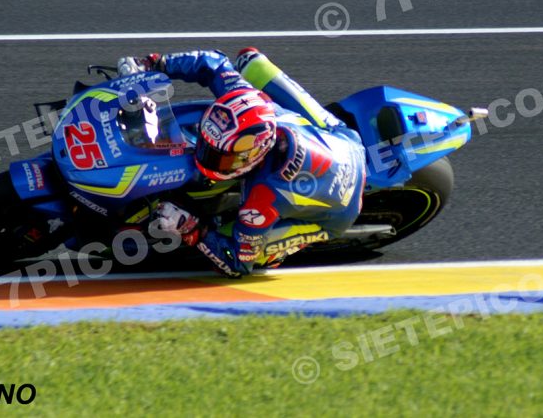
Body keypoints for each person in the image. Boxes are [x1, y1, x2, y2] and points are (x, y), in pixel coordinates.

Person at [119, 48, 366, 277]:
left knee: (254, 253)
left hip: (343, 208)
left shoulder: (261, 200)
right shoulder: (245, 98)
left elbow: (237, 263)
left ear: (252, 157)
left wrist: (193, 230)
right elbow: (212, 62)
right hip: (341, 136)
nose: (207, 157)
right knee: (250, 60)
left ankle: (273, 255)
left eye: (221, 157)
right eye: (207, 146)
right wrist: (154, 64)